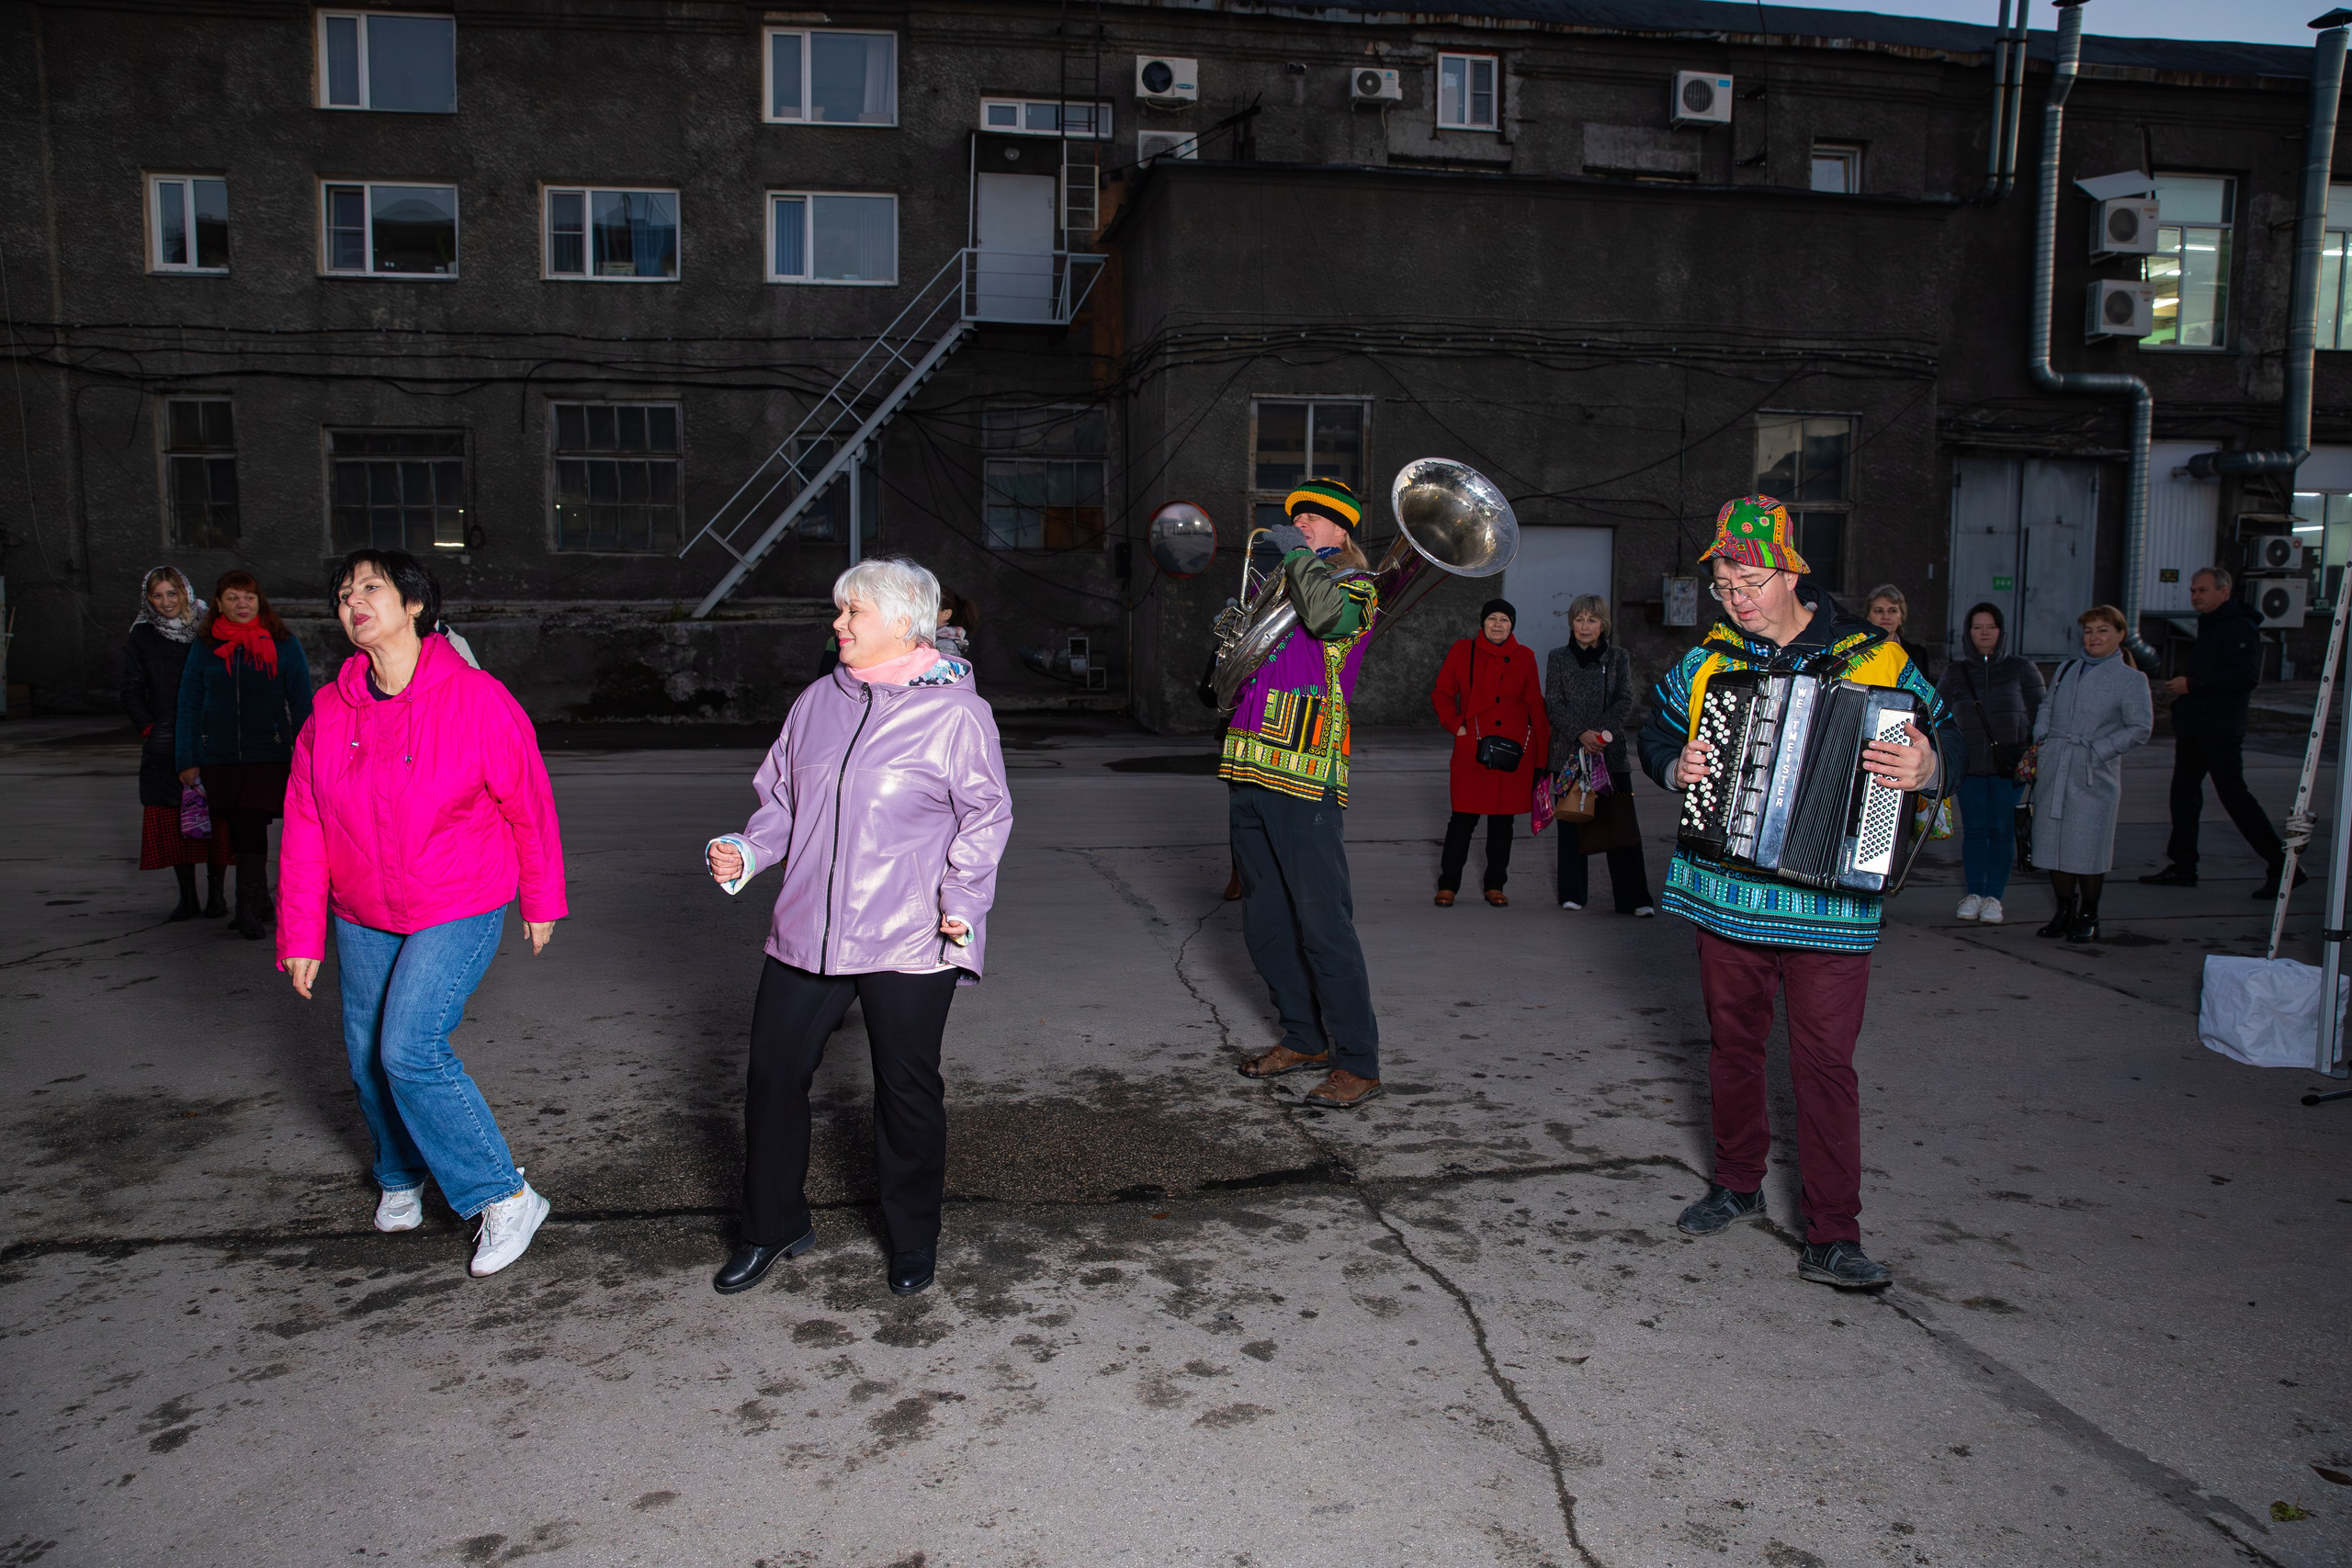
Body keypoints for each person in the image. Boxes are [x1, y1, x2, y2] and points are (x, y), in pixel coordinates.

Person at [1639, 497, 1956, 1290]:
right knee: (1733, 1045)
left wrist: (1929, 771)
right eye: (1723, 584)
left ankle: (1833, 1233)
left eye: (1745, 579)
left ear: (1790, 572)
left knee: (1823, 1062)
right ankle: (1739, 1184)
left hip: (1833, 900)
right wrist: (1671, 764)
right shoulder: (1710, 658)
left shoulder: (1875, 657)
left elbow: (1951, 736)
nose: (1734, 597)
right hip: (1728, 893)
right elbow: (1652, 727)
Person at [705, 557, 1011, 1300]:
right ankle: (772, 1224)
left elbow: (986, 815)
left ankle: (913, 1238)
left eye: (852, 613)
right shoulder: (817, 702)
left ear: (904, 623)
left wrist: (961, 904)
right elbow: (783, 800)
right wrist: (749, 849)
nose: (836, 624)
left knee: (906, 1089)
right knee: (773, 1076)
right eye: (838, 610)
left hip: (911, 935)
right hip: (808, 927)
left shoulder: (958, 715)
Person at [278, 550, 568, 1278]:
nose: (353, 602)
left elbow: (526, 802)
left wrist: (541, 898)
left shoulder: (474, 697)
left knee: (408, 1047)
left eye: (369, 587)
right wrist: (301, 930)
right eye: (344, 594)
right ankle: (399, 1171)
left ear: (413, 604)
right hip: (363, 908)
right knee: (366, 1055)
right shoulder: (327, 710)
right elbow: (306, 823)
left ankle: (503, 1195)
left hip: (457, 897)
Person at [1220, 478, 1385, 1110]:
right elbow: (1236, 670)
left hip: (1306, 769)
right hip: (1248, 765)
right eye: (1297, 518)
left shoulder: (1356, 591)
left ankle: (1359, 1061)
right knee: (1264, 923)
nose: (1303, 525)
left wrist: (1294, 559)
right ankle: (1303, 1035)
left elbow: (1323, 620)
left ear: (1341, 532)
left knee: (1323, 926)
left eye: (1316, 519)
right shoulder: (1279, 588)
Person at [2140, 568, 2298, 897]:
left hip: (2220, 729)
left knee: (2234, 797)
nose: (2196, 595)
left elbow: (2245, 676)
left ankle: (2283, 865)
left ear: (2224, 592)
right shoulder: (2212, 625)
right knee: (2183, 797)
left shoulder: (2239, 627)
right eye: (2193, 590)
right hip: (2197, 727)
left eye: (2203, 590)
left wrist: (2192, 684)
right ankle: (2183, 866)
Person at [175, 570, 312, 940]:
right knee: (236, 826)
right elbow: (188, 703)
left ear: (259, 602)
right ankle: (263, 902)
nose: (241, 604)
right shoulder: (204, 646)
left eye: (248, 597)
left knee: (251, 824)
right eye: (233, 598)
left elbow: (301, 703)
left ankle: (248, 907)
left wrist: (306, 753)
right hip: (216, 754)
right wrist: (187, 758)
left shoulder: (283, 643)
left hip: (266, 753)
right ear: (218, 604)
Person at [2031, 606, 2154, 942]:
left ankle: (2089, 913)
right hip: (2056, 766)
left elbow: (2140, 727)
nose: (2094, 637)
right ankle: (2063, 911)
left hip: (2093, 773)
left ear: (2119, 635)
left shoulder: (2131, 679)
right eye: (2088, 631)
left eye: (2102, 630)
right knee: (2052, 842)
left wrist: (2099, 750)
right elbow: (2046, 706)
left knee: (2087, 845)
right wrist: (2042, 738)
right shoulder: (2068, 668)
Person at [122, 566, 227, 919]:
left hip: (211, 734)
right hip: (164, 739)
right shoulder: (143, 635)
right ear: (148, 598)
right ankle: (187, 897)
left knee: (217, 815)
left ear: (185, 592)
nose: (165, 602)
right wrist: (149, 728)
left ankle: (217, 895)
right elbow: (131, 687)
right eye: (157, 595)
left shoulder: (210, 628)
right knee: (170, 818)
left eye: (172, 593)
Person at [1430, 599, 1548, 907]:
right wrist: (1456, 725)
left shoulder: (1525, 657)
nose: (1498, 624)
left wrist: (1542, 756)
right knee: (1462, 820)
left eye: (1505, 620)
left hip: (1512, 753)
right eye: (1492, 618)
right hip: (1473, 749)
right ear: (1482, 623)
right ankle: (1448, 885)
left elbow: (1535, 704)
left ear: (1513, 625)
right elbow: (1442, 692)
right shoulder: (1462, 650)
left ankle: (1495, 885)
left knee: (1502, 823)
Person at [1543, 594, 1655, 917]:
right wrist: (1580, 733)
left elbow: (1625, 700)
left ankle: (1635, 899)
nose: (1584, 626)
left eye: (1592, 620)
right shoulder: (1558, 657)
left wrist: (1600, 735)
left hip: (1609, 753)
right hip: (1568, 752)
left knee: (1619, 823)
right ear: (1571, 623)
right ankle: (1572, 893)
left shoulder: (1618, 658)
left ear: (1603, 624)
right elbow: (1553, 702)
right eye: (1579, 619)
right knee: (1572, 826)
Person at [1937, 602, 2044, 924]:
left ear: (2001, 631)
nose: (1984, 632)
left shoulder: (2022, 669)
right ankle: (1973, 893)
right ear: (1968, 633)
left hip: (2008, 767)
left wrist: (2033, 752)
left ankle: (1994, 897)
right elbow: (1937, 713)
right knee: (1974, 831)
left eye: (1991, 626)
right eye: (1977, 627)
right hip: (1968, 767)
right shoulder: (1956, 672)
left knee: (2000, 831)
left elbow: (2042, 714)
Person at [1863, 583, 1939, 685]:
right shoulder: (1856, 653)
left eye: (1893, 611)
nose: (1886, 616)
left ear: (1901, 617)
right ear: (1868, 617)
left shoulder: (1917, 655)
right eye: (1878, 611)